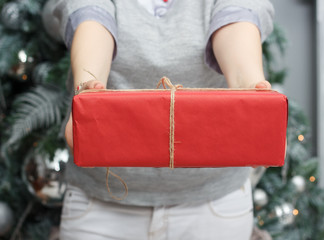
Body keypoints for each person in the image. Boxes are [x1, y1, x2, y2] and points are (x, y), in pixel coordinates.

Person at [44, 0, 274, 239]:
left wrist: (251, 94)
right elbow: (90, 15)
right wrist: (87, 94)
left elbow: (237, 18)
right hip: (99, 205)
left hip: (215, 205)